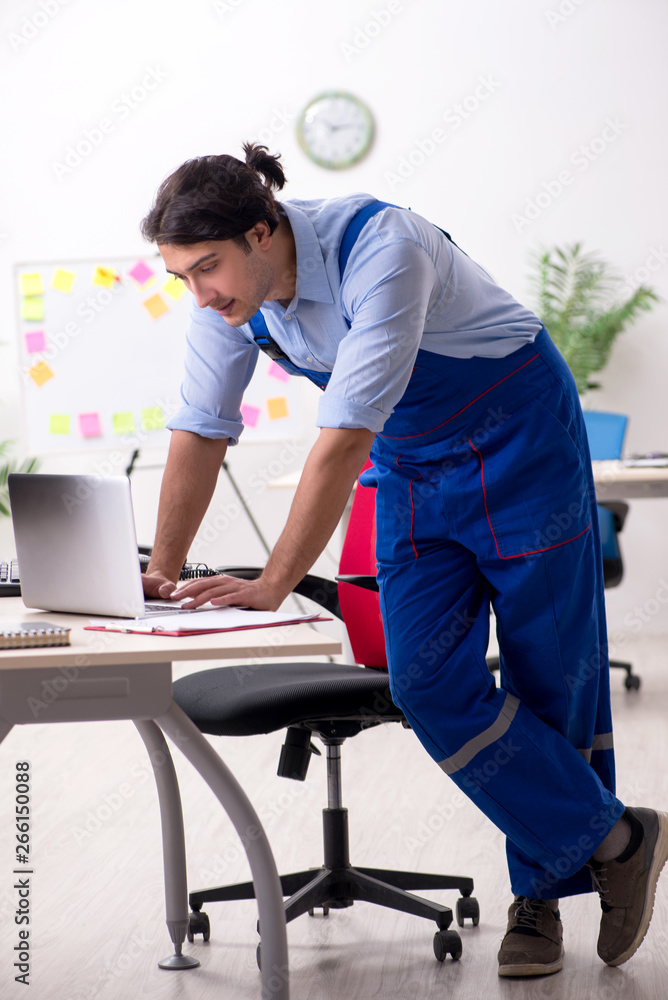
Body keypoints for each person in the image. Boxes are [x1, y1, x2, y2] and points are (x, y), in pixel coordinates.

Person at [139, 143, 667, 977]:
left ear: (261, 230)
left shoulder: (383, 248)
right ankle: (619, 839)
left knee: (550, 674)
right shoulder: (231, 303)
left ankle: (539, 896)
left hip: (521, 438)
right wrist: (161, 573)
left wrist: (275, 582)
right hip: (416, 465)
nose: (199, 294)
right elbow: (200, 429)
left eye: (207, 268)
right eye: (182, 278)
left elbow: (343, 438)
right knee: (423, 681)